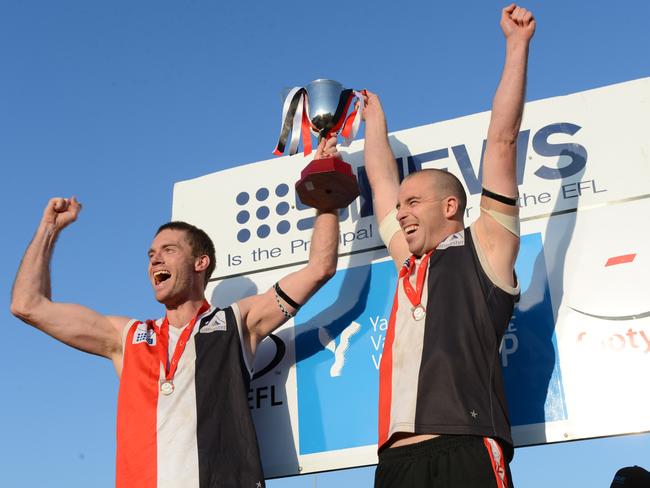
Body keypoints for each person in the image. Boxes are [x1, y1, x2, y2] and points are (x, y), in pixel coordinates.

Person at [10, 139, 340, 488]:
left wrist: (326, 192)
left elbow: (319, 268)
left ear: (201, 263)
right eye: (151, 254)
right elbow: (27, 305)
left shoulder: (236, 322)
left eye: (168, 250)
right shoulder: (127, 337)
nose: (155, 259)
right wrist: (49, 229)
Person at [362, 4, 535, 487]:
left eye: (413, 202)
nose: (400, 213)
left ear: (451, 207)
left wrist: (516, 46)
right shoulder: (406, 263)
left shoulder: (485, 246)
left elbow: (501, 141)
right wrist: (373, 121)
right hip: (395, 461)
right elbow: (379, 184)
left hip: (466, 443)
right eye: (401, 206)